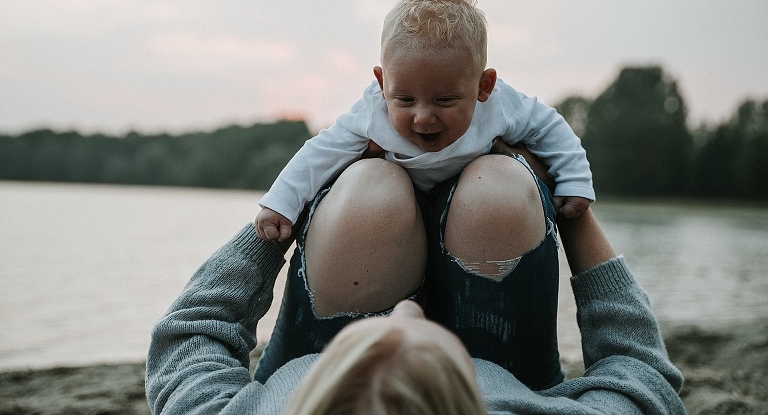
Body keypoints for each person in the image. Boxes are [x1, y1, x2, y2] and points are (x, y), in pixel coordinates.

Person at [145, 149, 686, 414]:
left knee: (369, 190)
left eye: (389, 322)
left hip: (315, 364)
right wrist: (573, 216)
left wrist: (279, 221)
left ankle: (382, 191)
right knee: (498, 188)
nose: (409, 311)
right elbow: (640, 372)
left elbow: (191, 333)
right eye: (422, 326)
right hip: (509, 368)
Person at [255, 0, 595, 246]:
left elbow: (549, 128)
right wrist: (282, 203)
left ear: (483, 86)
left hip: (473, 211)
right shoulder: (373, 109)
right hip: (401, 215)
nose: (422, 117)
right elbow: (322, 153)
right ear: (382, 82)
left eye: (444, 100)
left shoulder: (500, 104)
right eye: (404, 99)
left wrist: (574, 178)